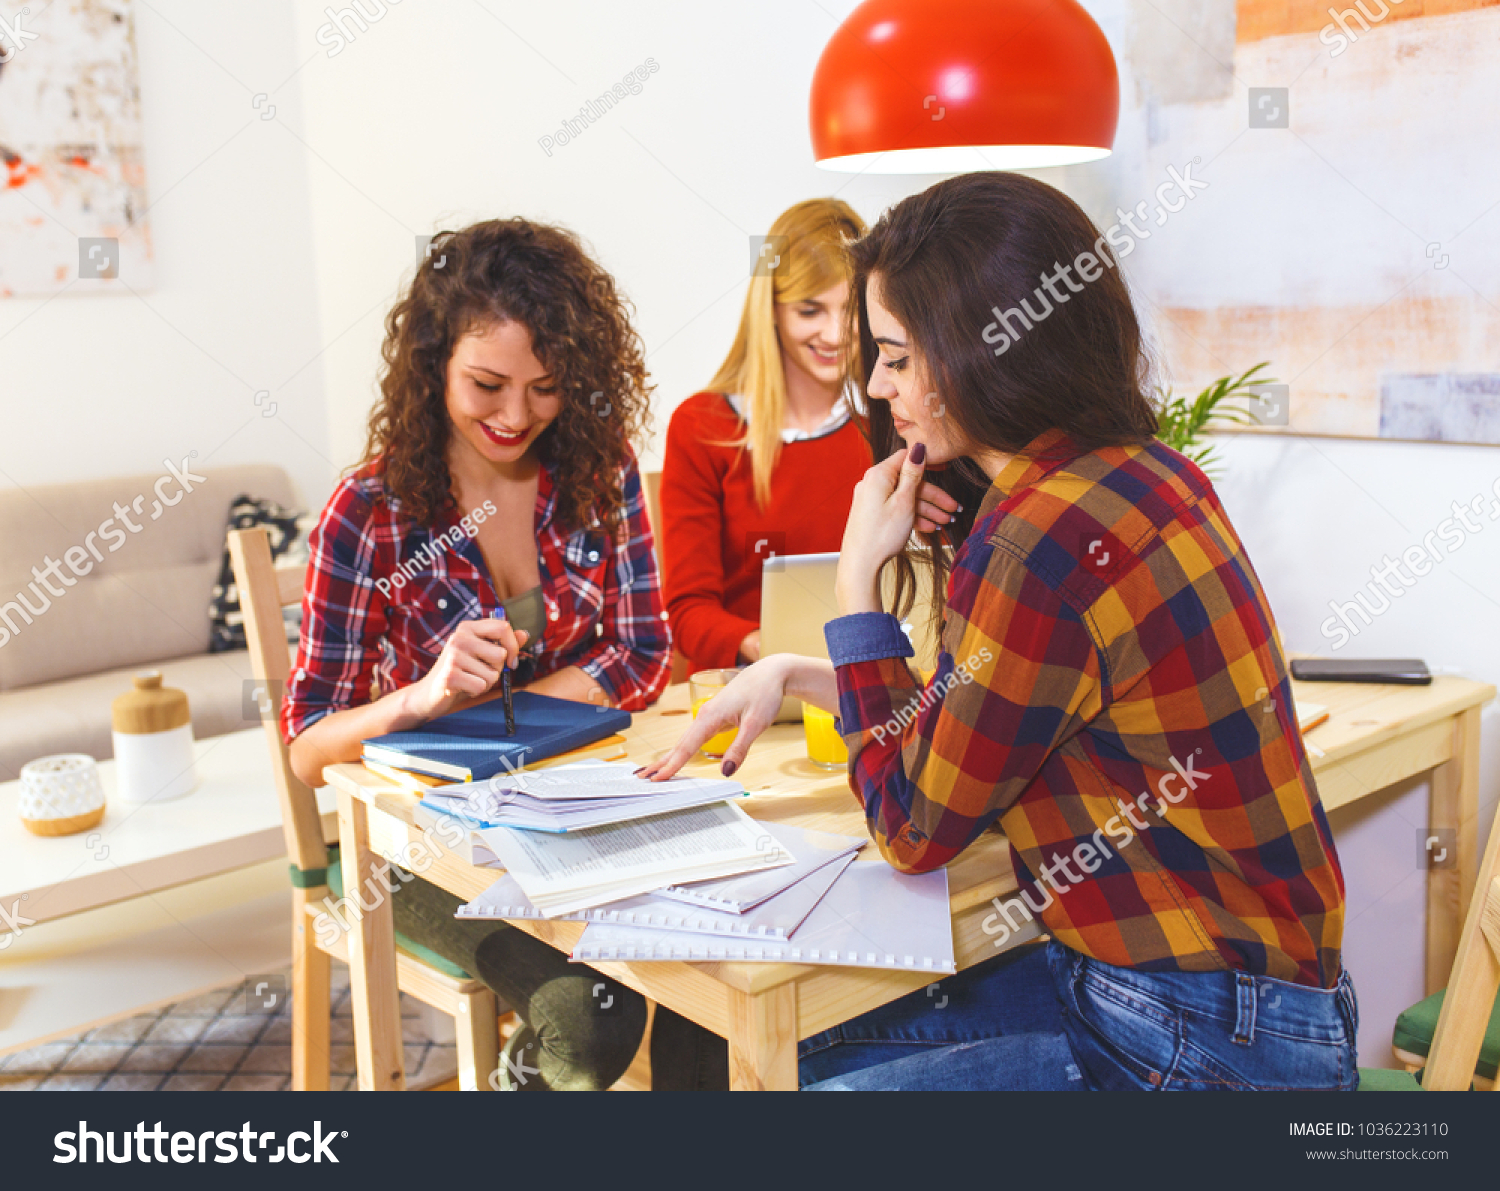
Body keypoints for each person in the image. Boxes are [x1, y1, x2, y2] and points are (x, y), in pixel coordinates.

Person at [642, 171, 1356, 1091]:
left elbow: (910, 827)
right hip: (1248, 1002)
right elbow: (986, 714)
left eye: (897, 357)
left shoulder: (1036, 542)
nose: (873, 383)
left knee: (783, 1071)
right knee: (743, 1044)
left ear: (982, 353)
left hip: (1196, 1038)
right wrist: (799, 669)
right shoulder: (1145, 471)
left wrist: (858, 584)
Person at [282, 217, 698, 1090]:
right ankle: (528, 1076)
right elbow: (310, 747)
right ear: (432, 362)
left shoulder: (599, 467)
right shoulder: (369, 514)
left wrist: (517, 720)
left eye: (545, 388)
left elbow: (647, 649)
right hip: (416, 851)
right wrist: (423, 701)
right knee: (589, 1016)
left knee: (703, 982)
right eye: (487, 384)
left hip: (584, 812)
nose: (516, 417)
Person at [661, 198, 872, 672]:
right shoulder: (703, 428)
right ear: (771, 310)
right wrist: (771, 652)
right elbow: (689, 610)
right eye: (810, 310)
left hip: (874, 682)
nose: (836, 334)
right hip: (748, 690)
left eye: (851, 309)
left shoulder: (892, 421)